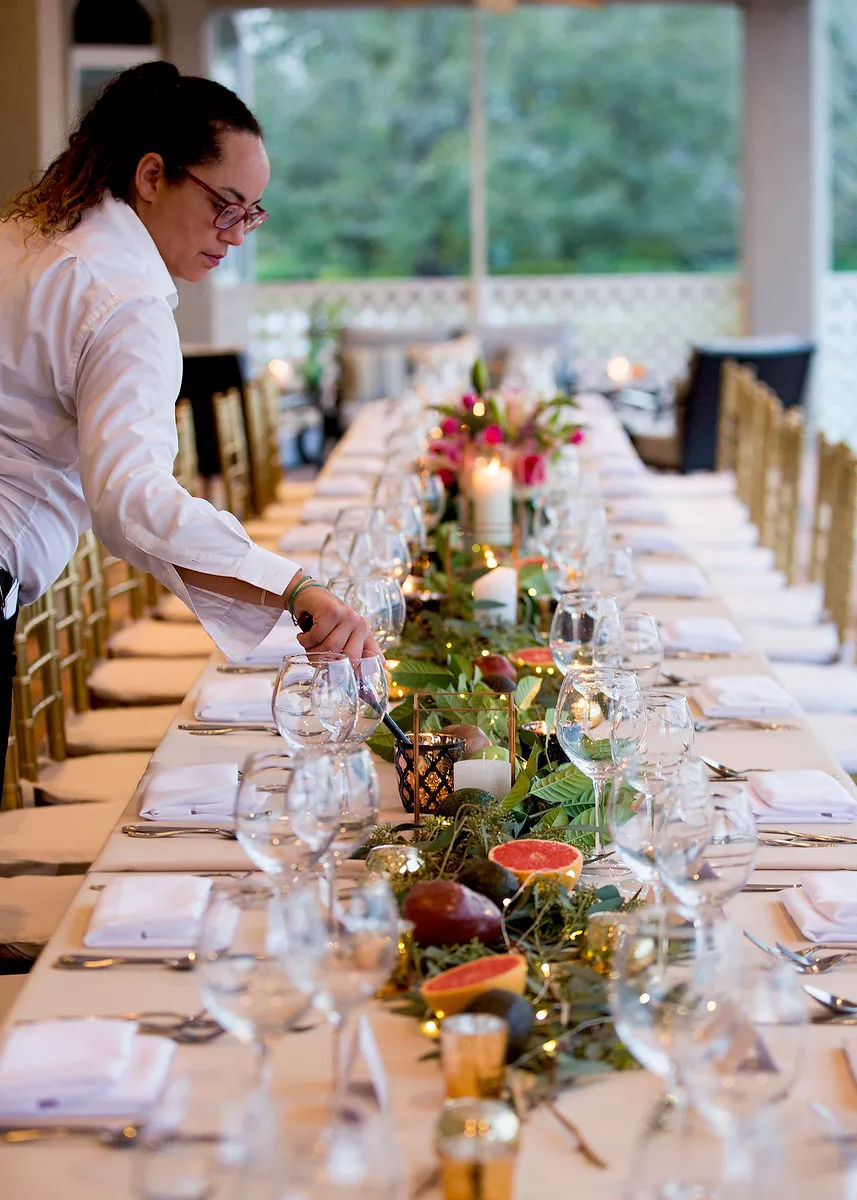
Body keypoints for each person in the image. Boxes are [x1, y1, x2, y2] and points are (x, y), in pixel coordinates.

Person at [0, 61, 379, 775]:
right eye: (224, 206)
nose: (237, 234)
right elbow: (132, 501)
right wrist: (294, 587)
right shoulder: (124, 300)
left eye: (252, 214)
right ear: (151, 176)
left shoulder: (30, 236)